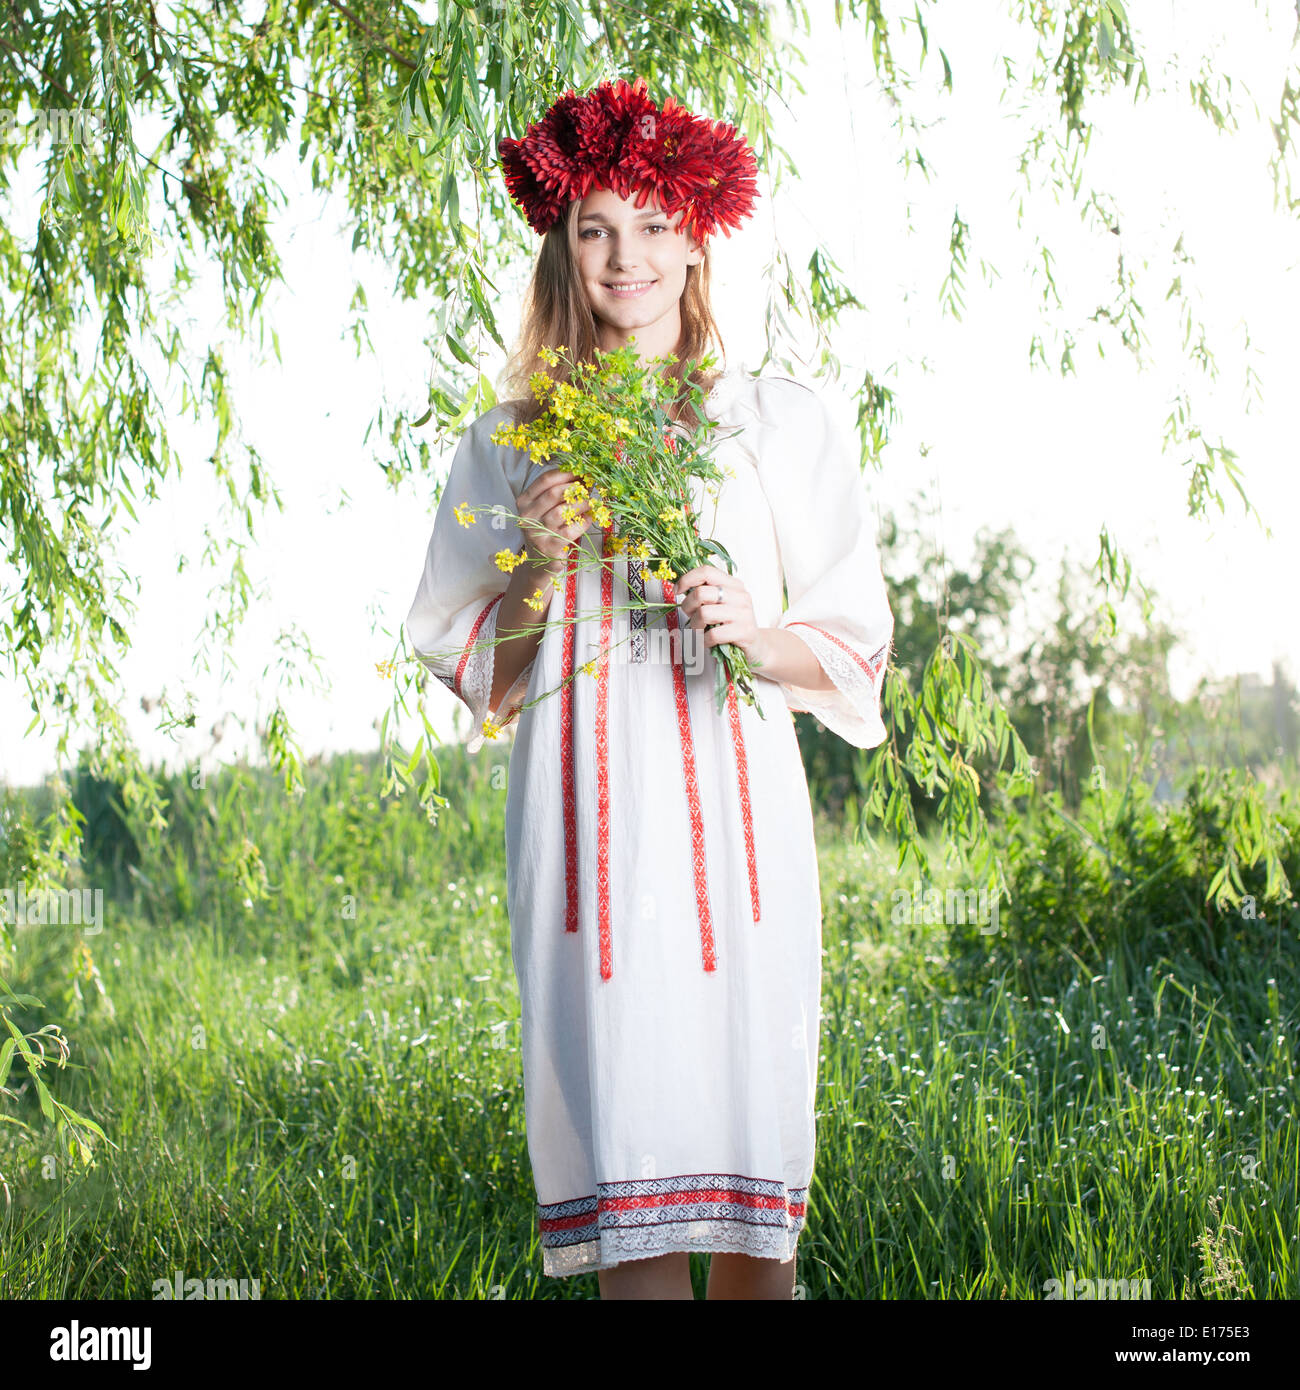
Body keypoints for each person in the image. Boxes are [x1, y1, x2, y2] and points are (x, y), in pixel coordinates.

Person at [405, 76, 894, 1300]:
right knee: (630, 1202)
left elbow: (849, 635)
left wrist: (755, 628)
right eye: (595, 229)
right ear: (562, 248)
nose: (626, 258)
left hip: (738, 838)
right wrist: (537, 563)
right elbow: (487, 675)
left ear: (696, 239)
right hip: (587, 844)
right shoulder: (507, 444)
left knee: (751, 1232)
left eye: (653, 226)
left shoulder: (773, 423)